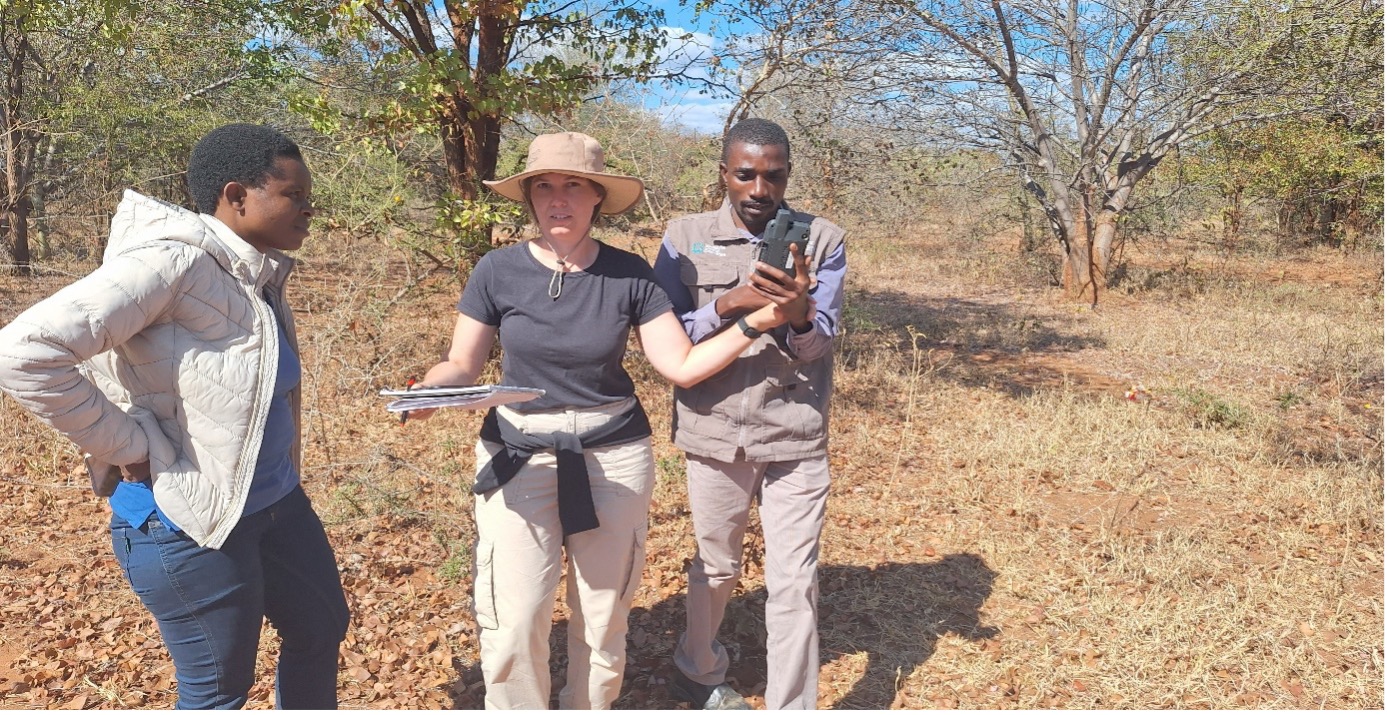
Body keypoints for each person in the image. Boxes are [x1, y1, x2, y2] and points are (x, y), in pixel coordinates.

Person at [410, 131, 804, 710]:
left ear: (597, 198)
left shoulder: (629, 274)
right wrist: (429, 390)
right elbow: (462, 363)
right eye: (544, 186)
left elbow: (681, 364)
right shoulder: (497, 270)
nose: (559, 199)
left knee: (602, 619)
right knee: (513, 618)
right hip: (517, 455)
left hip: (612, 457)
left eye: (574, 186)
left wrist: (758, 321)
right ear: (529, 198)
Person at [0, 124, 350, 709]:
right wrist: (128, 446)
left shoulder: (254, 271)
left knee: (319, 630)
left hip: (274, 503)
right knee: (217, 694)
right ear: (237, 196)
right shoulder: (172, 264)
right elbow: (26, 352)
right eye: (293, 195)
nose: (309, 209)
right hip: (184, 516)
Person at [651, 118, 848, 710]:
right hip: (713, 428)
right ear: (725, 174)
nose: (760, 189)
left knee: (794, 582)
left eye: (774, 176)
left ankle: (793, 704)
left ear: (788, 175)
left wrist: (797, 316)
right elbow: (667, 335)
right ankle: (700, 666)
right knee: (716, 566)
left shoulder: (822, 240)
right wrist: (731, 305)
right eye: (746, 174)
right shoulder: (683, 237)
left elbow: (821, 343)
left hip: (795, 431)